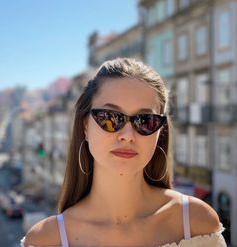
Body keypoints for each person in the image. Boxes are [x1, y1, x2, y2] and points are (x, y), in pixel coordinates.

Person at [21, 58, 227, 246]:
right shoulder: (46, 240)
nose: (127, 135)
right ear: (85, 125)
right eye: (110, 118)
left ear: (159, 132)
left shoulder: (196, 223)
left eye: (145, 121)